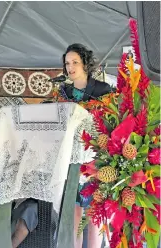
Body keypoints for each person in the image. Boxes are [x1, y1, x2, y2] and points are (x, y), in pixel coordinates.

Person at [60, 43, 114, 248]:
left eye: (75, 62)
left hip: (95, 160)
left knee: (93, 217)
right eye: (67, 63)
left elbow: (111, 126)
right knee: (73, 216)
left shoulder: (103, 90)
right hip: (70, 161)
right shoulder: (63, 92)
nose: (70, 67)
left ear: (85, 64)